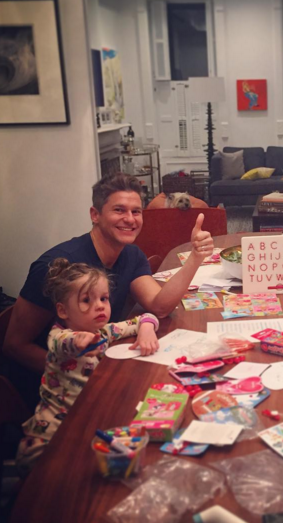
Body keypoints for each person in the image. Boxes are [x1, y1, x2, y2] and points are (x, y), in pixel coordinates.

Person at [3, 173, 213, 405]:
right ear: (95, 215)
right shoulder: (55, 265)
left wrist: (195, 257)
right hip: (52, 393)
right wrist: (75, 371)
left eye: (136, 212)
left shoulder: (131, 254)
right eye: (119, 210)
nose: (130, 219)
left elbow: (160, 306)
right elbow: (15, 345)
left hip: (101, 365)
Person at [16, 258, 159, 471]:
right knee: (42, 482)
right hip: (51, 433)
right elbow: (65, 344)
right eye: (86, 300)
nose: (100, 306)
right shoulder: (57, 335)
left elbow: (143, 318)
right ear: (63, 311)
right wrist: (79, 341)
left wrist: (147, 329)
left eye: (104, 298)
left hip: (88, 418)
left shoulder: (103, 332)